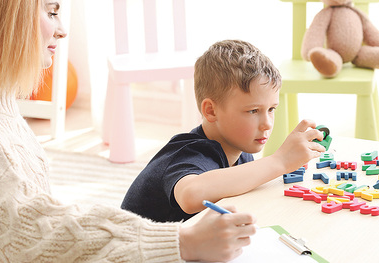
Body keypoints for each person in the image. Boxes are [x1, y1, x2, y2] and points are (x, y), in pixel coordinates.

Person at [0, 1, 257, 262]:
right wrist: (181, 242)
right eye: (52, 12)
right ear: (6, 18)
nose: (63, 30)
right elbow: (25, 235)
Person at [121, 40, 326, 223]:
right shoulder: (190, 154)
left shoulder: (241, 149)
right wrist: (279, 161)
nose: (267, 124)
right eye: (253, 111)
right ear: (211, 111)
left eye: (271, 109)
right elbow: (191, 195)